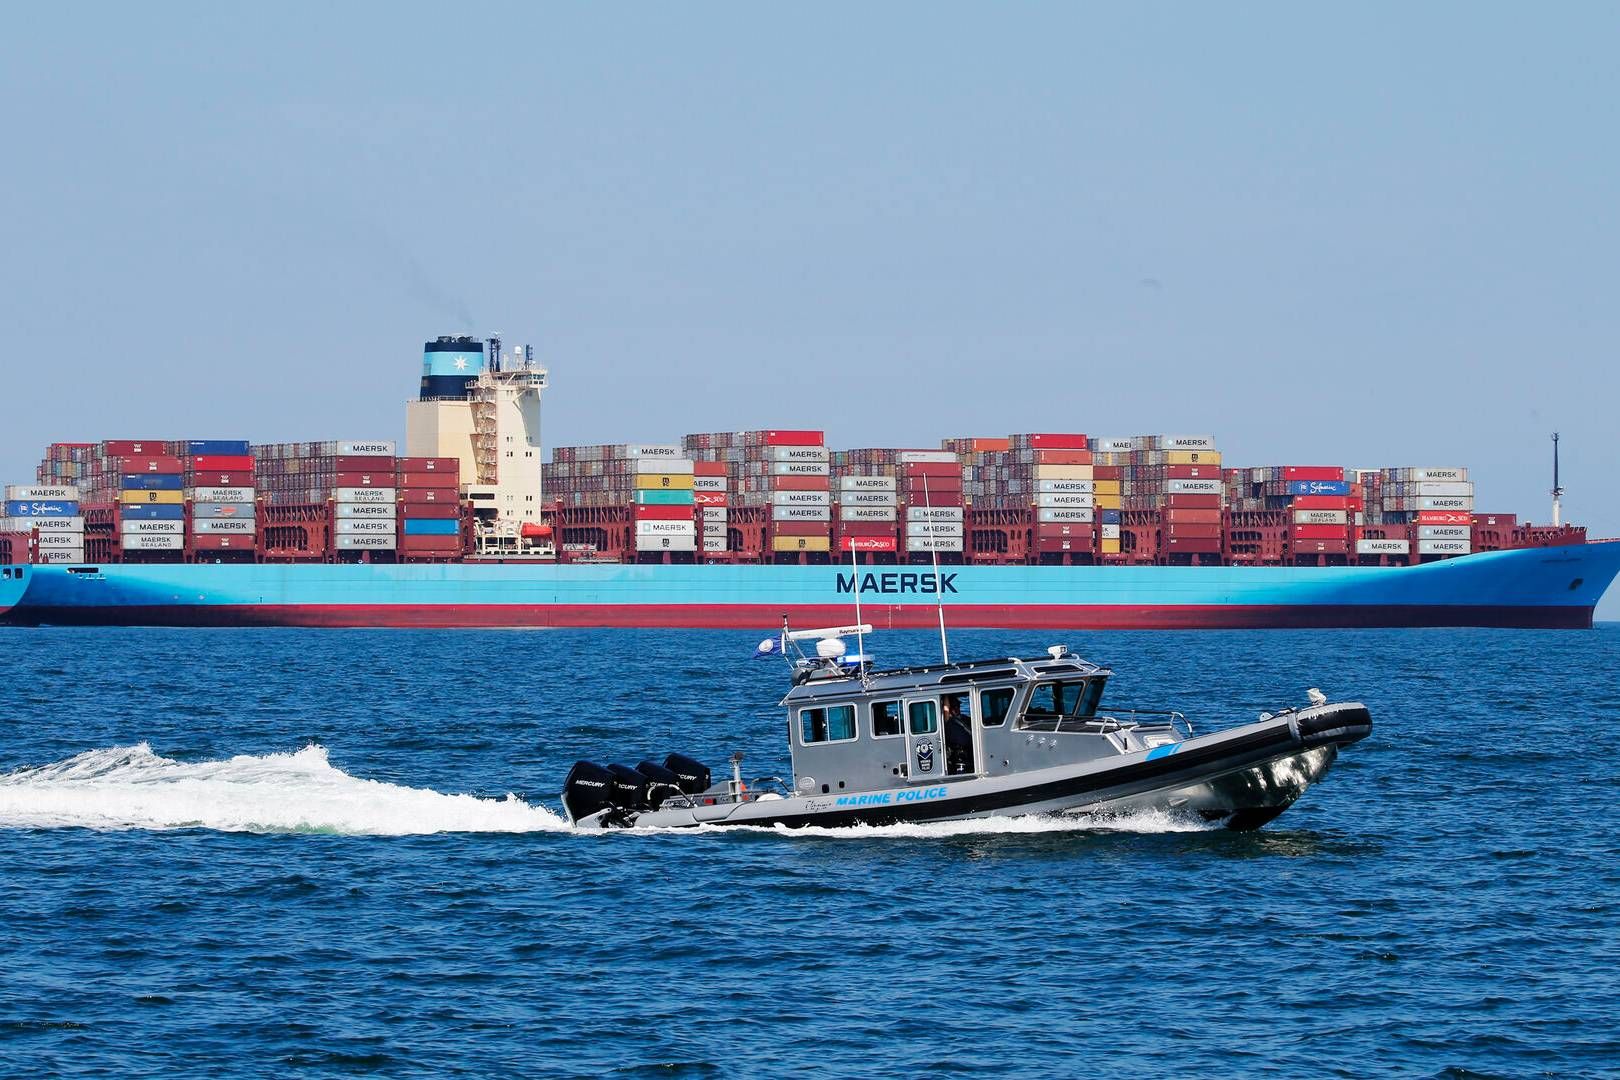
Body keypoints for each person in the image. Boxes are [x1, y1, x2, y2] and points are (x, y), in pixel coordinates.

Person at [942, 695, 973, 775]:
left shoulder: (966, 719)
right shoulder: (948, 721)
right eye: (954, 707)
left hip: (970, 750)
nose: (957, 708)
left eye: (958, 706)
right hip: (958, 753)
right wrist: (946, 694)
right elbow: (946, 710)